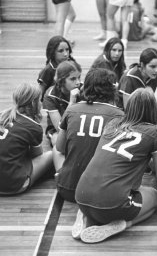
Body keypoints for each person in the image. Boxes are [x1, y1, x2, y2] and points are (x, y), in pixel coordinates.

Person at [73, 88, 157, 243]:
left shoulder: (112, 124)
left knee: (124, 188)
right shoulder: (153, 132)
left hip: (81, 196)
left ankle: (84, 215)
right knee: (154, 195)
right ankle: (123, 224)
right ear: (153, 110)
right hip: (112, 206)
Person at [53, 68, 124, 202]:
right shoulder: (119, 115)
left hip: (67, 189)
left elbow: (60, 148)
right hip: (99, 193)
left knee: (56, 145)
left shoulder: (72, 110)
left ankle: (62, 174)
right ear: (111, 89)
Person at [0, 83, 54, 195]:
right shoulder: (33, 126)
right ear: (34, 103)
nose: (41, 104)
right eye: (40, 100)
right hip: (11, 184)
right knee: (52, 154)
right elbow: (37, 155)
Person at [117, 48, 157, 115]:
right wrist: (155, 116)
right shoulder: (129, 78)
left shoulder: (155, 74)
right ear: (142, 65)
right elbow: (128, 110)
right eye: (152, 67)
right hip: (128, 116)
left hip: (145, 111)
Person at [43, 60, 82, 147]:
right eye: (73, 79)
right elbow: (59, 128)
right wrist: (71, 102)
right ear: (61, 80)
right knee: (58, 143)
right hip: (58, 131)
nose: (78, 82)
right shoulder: (51, 95)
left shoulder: (83, 89)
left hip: (80, 128)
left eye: (79, 77)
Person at [37, 36, 75, 100]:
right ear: (53, 52)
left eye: (67, 49)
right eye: (61, 51)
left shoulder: (72, 65)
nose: (65, 54)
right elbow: (40, 94)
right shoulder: (48, 70)